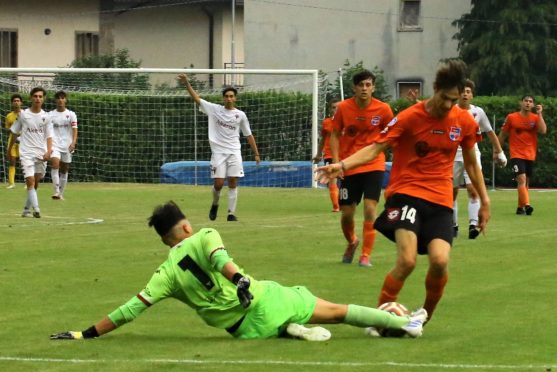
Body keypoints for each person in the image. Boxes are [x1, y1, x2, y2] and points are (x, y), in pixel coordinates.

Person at [49, 201, 427, 341]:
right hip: (263, 300)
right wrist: (240, 280)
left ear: (165, 239)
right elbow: (220, 259)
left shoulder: (163, 274)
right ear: (183, 227)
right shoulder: (205, 235)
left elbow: (131, 309)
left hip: (243, 331)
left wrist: (86, 333)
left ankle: (286, 331)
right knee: (338, 310)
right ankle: (401, 322)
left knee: (296, 315)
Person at [317, 60, 491, 323]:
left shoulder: (464, 121)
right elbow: (376, 148)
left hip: (440, 199)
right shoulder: (410, 117)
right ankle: (378, 319)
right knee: (407, 261)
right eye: (445, 98)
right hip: (406, 193)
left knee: (440, 261)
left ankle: (423, 318)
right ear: (435, 89)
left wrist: (484, 198)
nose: (448, 105)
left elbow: (470, 161)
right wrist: (341, 165)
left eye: (454, 101)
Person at [329, 70, 394, 268]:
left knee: (370, 208)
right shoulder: (343, 108)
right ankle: (352, 242)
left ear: (373, 87)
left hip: (374, 164)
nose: (364, 88)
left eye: (368, 85)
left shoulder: (384, 110)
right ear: (354, 88)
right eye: (361, 85)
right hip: (349, 165)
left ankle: (366, 255)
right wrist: (337, 162)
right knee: (347, 213)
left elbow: (392, 135)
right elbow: (334, 135)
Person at [178, 74, 260, 222]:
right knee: (219, 183)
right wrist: (186, 84)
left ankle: (231, 213)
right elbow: (197, 99)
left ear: (235, 98)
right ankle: (215, 204)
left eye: (231, 96)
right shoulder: (214, 110)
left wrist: (256, 153)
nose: (229, 98)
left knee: (233, 180)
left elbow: (248, 135)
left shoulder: (240, 115)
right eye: (226, 96)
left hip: (234, 152)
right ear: (223, 98)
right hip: (218, 153)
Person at [452, 80, 506, 239]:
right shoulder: (450, 110)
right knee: (452, 192)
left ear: (472, 95)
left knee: (472, 189)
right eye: (462, 91)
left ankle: (472, 225)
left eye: (468, 91)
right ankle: (453, 225)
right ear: (457, 94)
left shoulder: (478, 112)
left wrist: (499, 151)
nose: (465, 94)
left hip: (472, 154)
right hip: (453, 156)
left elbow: (489, 132)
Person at [498, 95, 547, 215]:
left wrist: (540, 114)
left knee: (526, 182)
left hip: (530, 154)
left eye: (530, 102)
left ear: (533, 105)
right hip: (516, 154)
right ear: (521, 103)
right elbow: (503, 134)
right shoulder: (511, 117)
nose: (528, 103)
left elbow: (543, 130)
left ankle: (520, 208)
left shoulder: (535, 118)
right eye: (526, 101)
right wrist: (497, 151)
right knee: (521, 179)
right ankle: (527, 205)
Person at [10, 87, 54, 218]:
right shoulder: (23, 115)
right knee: (29, 181)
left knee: (35, 182)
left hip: (41, 153)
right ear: (31, 98)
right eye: (35, 96)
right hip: (26, 153)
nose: (37, 99)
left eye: (40, 96)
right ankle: (37, 209)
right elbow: (14, 132)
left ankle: (26, 210)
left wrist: (49, 151)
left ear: (43, 99)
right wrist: (9, 149)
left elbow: (49, 136)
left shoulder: (47, 117)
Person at [48, 91, 78, 200]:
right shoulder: (50, 115)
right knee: (55, 164)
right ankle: (56, 191)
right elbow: (47, 130)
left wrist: (73, 142)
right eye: (58, 98)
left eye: (62, 98)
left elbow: (75, 130)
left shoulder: (71, 114)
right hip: (54, 145)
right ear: (55, 100)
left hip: (67, 145)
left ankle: (61, 193)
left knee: (64, 169)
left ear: (65, 100)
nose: (60, 100)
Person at [312, 100, 340, 212]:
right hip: (330, 155)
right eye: (333, 107)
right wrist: (319, 154)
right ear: (330, 110)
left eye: (337, 107)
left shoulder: (348, 122)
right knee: (332, 179)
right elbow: (323, 140)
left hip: (345, 156)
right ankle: (336, 206)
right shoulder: (327, 123)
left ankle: (343, 202)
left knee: (348, 182)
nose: (335, 110)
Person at [4, 94, 23, 189]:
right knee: (12, 161)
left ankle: (27, 183)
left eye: (18, 100)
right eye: (14, 101)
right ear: (12, 103)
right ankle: (11, 183)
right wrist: (13, 130)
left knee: (25, 161)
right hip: (12, 140)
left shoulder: (25, 114)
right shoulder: (9, 116)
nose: (16, 102)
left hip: (23, 141)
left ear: (21, 102)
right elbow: (7, 129)